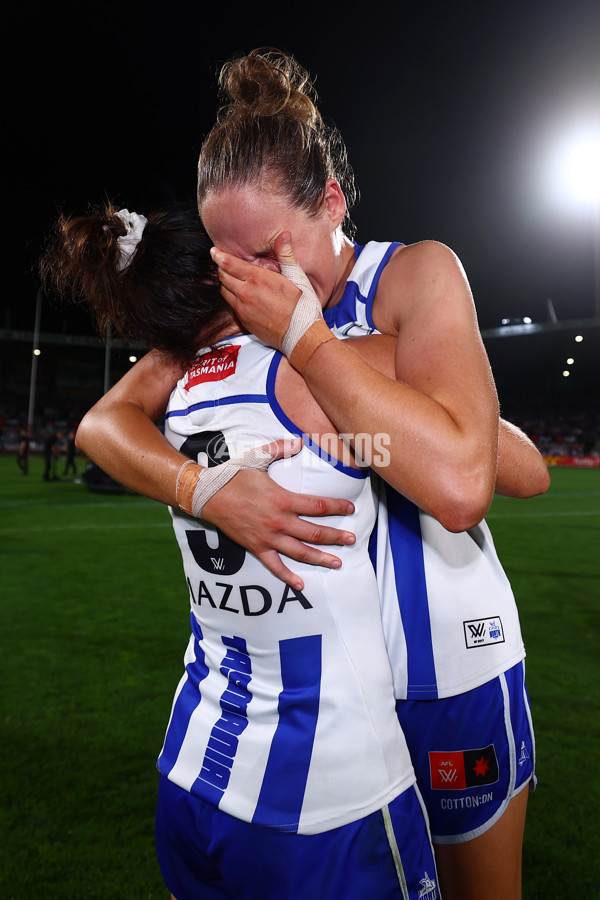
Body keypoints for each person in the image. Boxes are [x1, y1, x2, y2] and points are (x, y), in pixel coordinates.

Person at [69, 50, 549, 900]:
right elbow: (106, 423)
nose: (245, 277)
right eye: (226, 258)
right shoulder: (238, 309)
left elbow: (488, 476)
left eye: (262, 250)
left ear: (330, 204)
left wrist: (323, 355)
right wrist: (203, 485)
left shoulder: (412, 275)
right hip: (328, 701)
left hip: (448, 658)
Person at [41, 202, 440, 900]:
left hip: (192, 770)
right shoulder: (330, 369)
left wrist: (198, 488)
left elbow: (99, 424)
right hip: (326, 796)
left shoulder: (176, 392)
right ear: (225, 272)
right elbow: (498, 463)